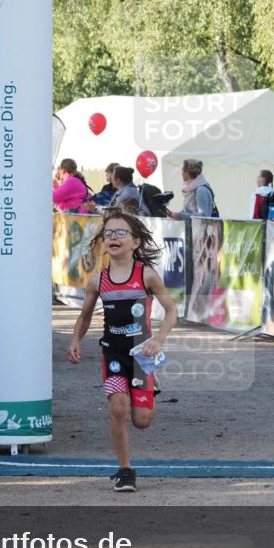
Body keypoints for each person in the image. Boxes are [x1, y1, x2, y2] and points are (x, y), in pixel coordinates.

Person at [67, 208, 178, 493]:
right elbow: (85, 316)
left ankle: (148, 388)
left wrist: (159, 340)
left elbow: (171, 310)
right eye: (108, 234)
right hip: (113, 356)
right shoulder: (97, 281)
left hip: (142, 357)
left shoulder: (147, 275)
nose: (113, 238)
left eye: (120, 233)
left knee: (141, 420)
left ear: (136, 242)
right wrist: (75, 340)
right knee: (118, 408)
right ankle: (125, 470)